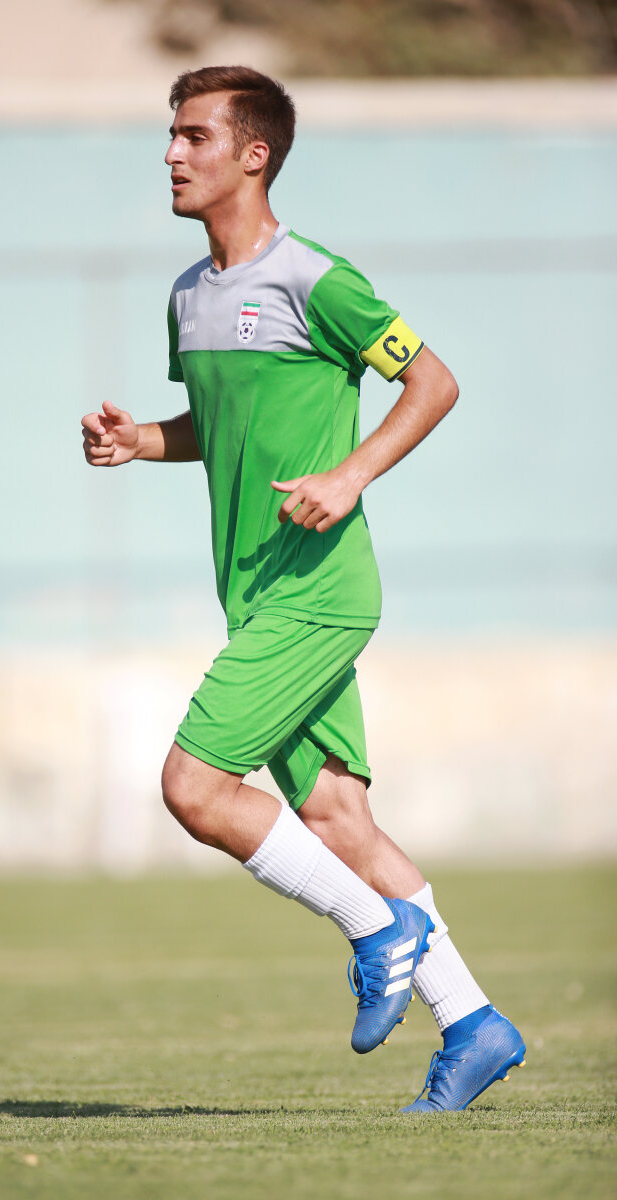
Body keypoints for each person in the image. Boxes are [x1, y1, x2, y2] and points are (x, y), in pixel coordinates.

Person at [82, 65, 525, 1112]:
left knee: (193, 789)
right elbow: (219, 426)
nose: (171, 154)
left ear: (254, 154)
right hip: (254, 595)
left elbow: (433, 381)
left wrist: (350, 474)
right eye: (171, 135)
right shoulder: (187, 295)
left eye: (194, 136)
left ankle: (378, 930)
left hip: (320, 593)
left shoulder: (316, 279)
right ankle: (474, 1025)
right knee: (337, 820)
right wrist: (141, 441)